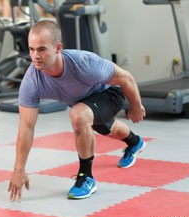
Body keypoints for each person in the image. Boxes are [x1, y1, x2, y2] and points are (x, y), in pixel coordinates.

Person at [8, 20, 146, 201]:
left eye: (42, 49)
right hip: (85, 103)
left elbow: (124, 77)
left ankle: (86, 177)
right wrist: (19, 169)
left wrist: (136, 106)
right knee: (107, 128)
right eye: (32, 49)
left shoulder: (82, 63)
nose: (35, 56)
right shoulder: (32, 80)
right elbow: (26, 125)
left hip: (110, 93)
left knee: (79, 115)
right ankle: (134, 142)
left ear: (58, 48)